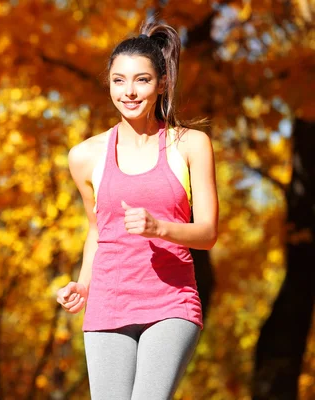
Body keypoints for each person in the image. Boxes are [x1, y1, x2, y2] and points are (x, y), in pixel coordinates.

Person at [56, 19, 218, 400]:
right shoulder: (84, 156)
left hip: (170, 300)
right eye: (119, 80)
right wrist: (83, 284)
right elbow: (98, 232)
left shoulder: (190, 145)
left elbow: (208, 233)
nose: (129, 92)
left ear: (161, 83)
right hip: (107, 303)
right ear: (109, 83)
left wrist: (159, 228)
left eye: (142, 80)